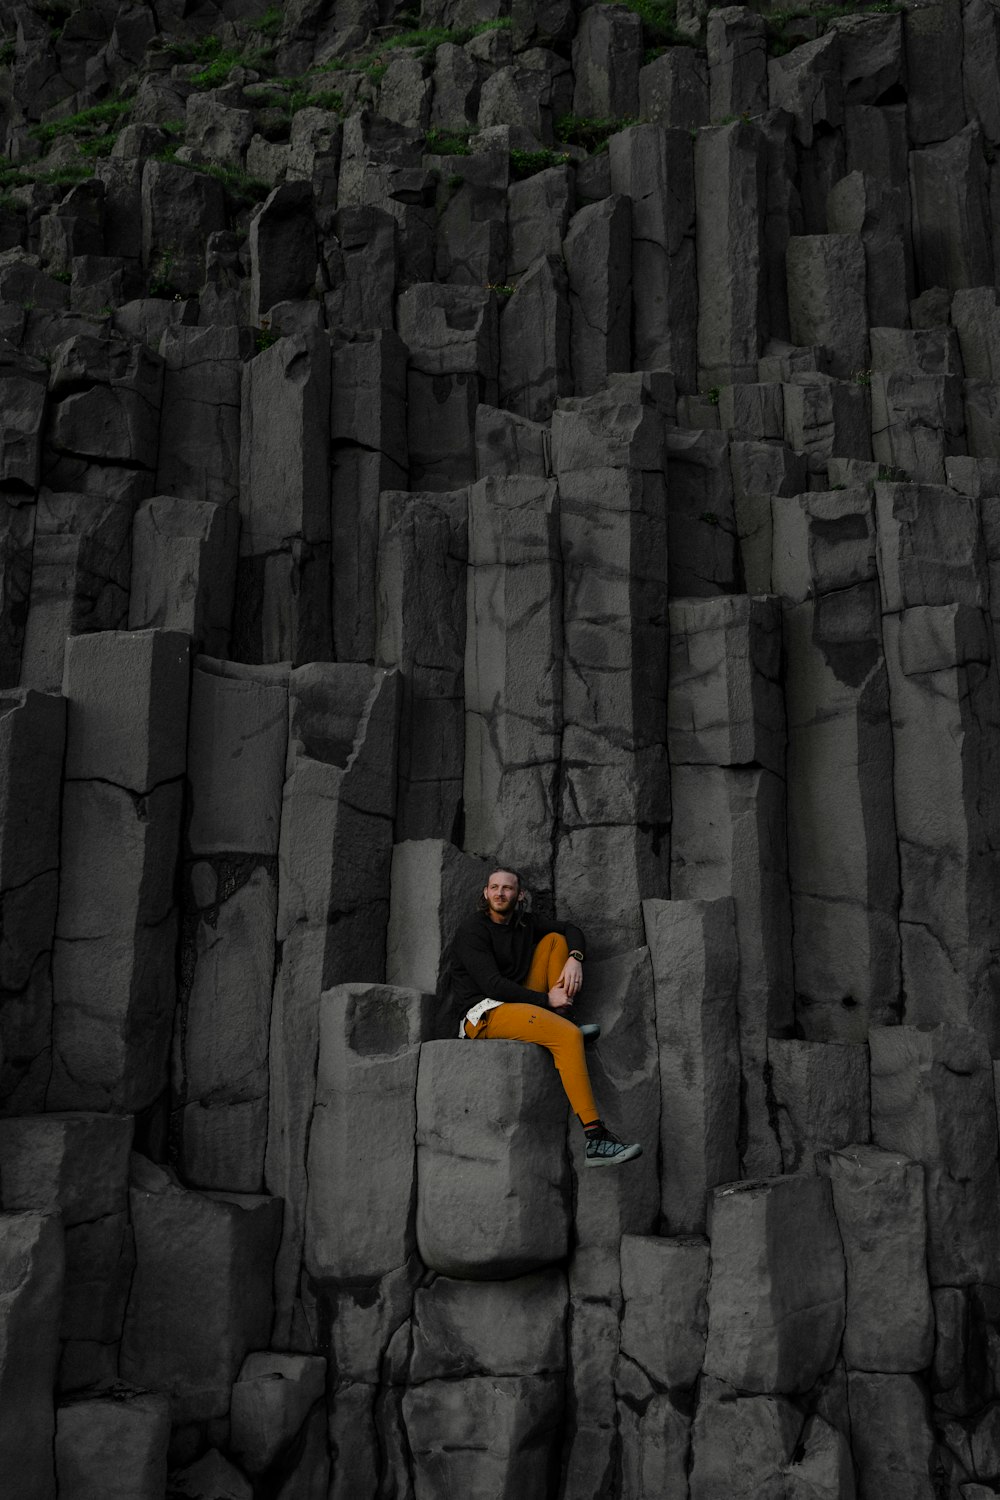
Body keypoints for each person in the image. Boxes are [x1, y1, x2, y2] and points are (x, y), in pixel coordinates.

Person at [449, 866, 642, 1168]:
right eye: (494, 887)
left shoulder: (524, 923)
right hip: (483, 1013)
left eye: (508, 888)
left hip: (518, 1002)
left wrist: (576, 959)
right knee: (568, 1037)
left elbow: (571, 930)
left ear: (520, 894)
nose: (500, 893)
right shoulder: (472, 930)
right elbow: (492, 985)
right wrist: (546, 999)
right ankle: (596, 1139)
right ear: (485, 893)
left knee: (555, 940)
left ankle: (563, 1017)